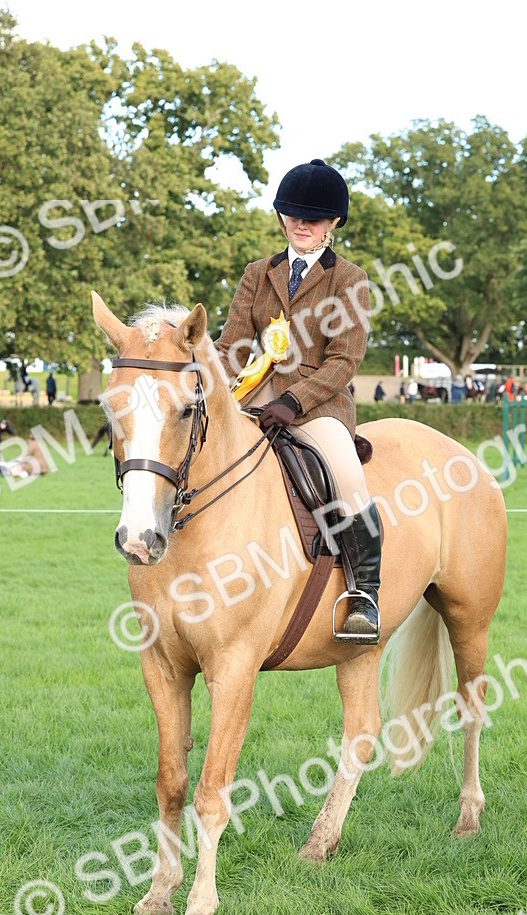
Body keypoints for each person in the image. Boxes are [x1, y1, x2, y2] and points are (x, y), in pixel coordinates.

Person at [215, 157, 381, 641]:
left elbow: (344, 360)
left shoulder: (348, 278)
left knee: (347, 476)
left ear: (332, 224)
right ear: (281, 216)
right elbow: (232, 346)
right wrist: (205, 380)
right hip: (250, 394)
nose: (300, 224)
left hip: (318, 404)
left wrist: (294, 400)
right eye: (292, 215)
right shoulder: (257, 273)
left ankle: (363, 595)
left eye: (312, 218)